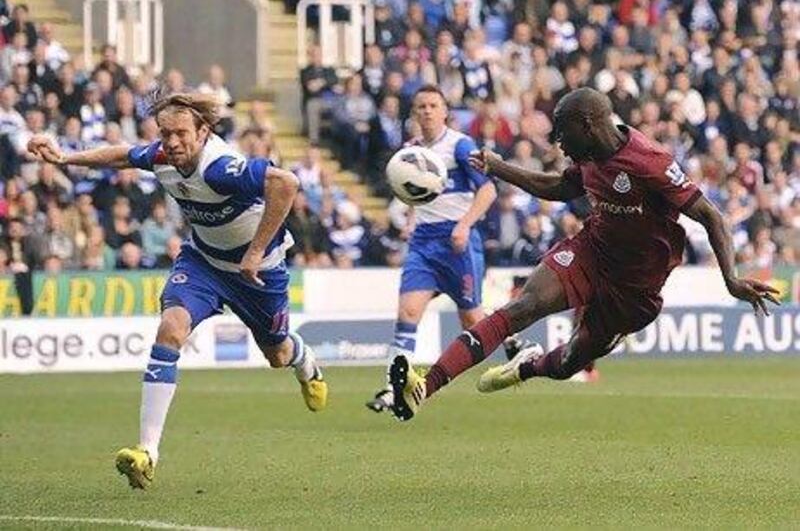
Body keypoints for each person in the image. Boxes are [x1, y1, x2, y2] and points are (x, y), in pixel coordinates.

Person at [387, 87, 779, 422]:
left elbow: (711, 215)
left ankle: (527, 368)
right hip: (592, 251)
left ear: (588, 125)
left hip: (635, 286)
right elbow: (558, 187)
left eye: (562, 130)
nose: (558, 141)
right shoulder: (587, 156)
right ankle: (427, 384)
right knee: (522, 308)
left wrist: (731, 279)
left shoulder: (650, 162)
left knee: (570, 362)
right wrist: (499, 167)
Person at [27, 92, 328, 488]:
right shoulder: (164, 156)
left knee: (278, 353)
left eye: (181, 134)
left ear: (203, 132)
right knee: (170, 327)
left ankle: (306, 363)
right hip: (203, 264)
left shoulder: (220, 168)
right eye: (165, 133)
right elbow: (123, 155)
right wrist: (65, 158)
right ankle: (147, 452)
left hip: (257, 273)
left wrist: (255, 251)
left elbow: (285, 184)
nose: (172, 142)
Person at [365, 85, 497, 412]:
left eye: (432, 105)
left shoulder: (461, 145)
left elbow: (489, 191)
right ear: (414, 113)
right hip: (424, 241)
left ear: (444, 111)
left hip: (457, 241)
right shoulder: (410, 152)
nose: (426, 110)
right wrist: (411, 217)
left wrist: (464, 224)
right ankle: (391, 389)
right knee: (407, 313)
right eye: (420, 106)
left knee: (472, 321)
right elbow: (413, 194)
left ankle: (510, 346)